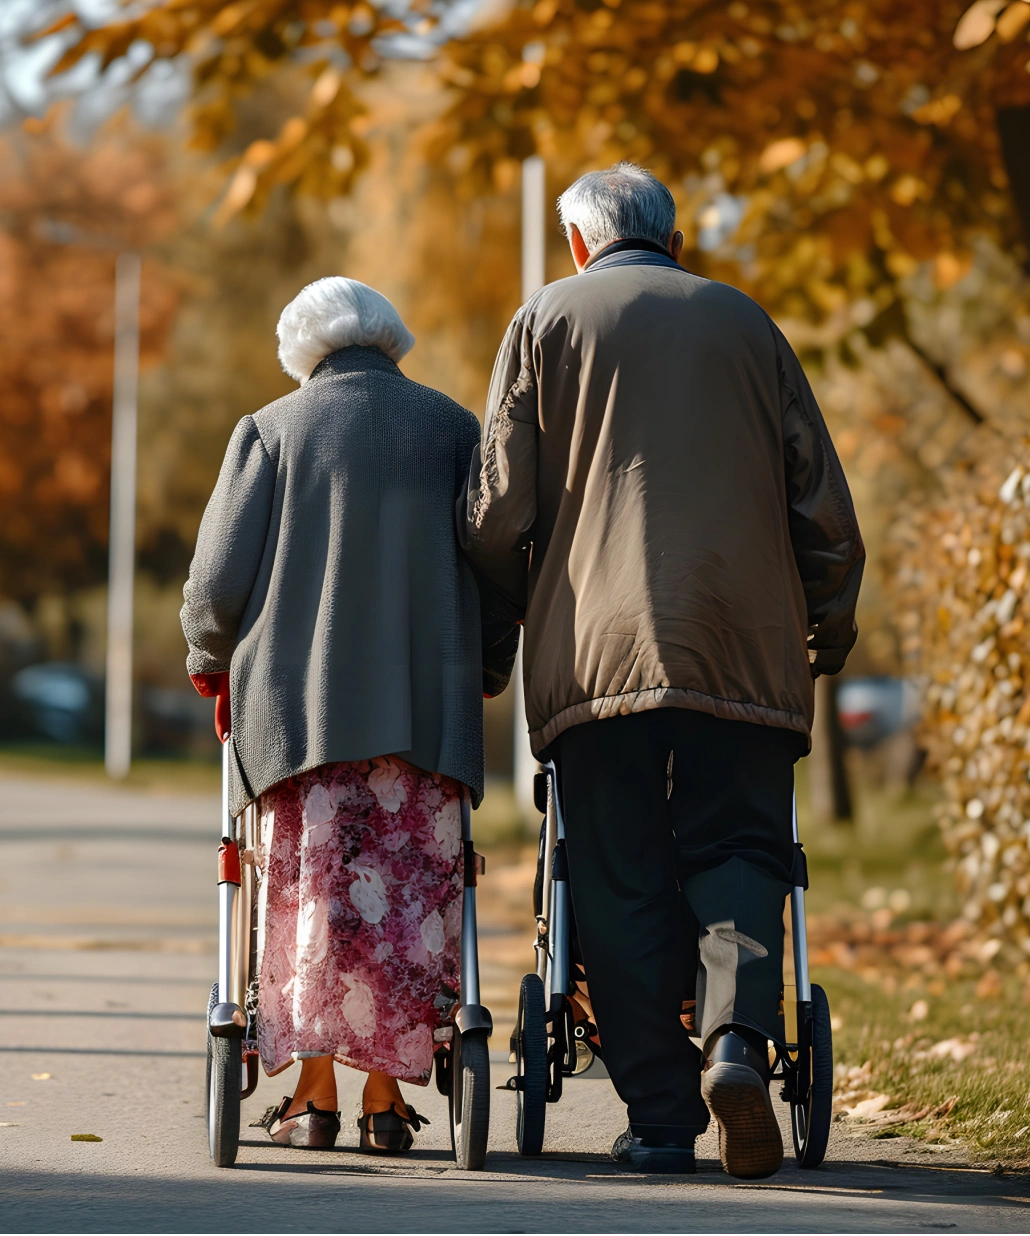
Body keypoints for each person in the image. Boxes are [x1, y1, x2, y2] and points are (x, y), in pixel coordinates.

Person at [460, 164, 864, 1178]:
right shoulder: (747, 325)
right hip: (742, 642)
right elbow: (821, 506)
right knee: (740, 849)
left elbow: (495, 512)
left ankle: (659, 1115)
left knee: (617, 873)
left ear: (579, 242)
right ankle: (737, 1039)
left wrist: (499, 632)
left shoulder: (546, 322)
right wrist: (827, 630)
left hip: (598, 654)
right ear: (672, 239)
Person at [181, 277, 510, 1152]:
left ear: (303, 350)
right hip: (426, 715)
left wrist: (205, 656)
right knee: (407, 903)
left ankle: (312, 1096)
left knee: (314, 899)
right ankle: (382, 1100)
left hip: (302, 723)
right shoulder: (453, 431)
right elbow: (493, 566)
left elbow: (216, 587)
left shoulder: (269, 431)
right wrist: (490, 664)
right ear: (388, 338)